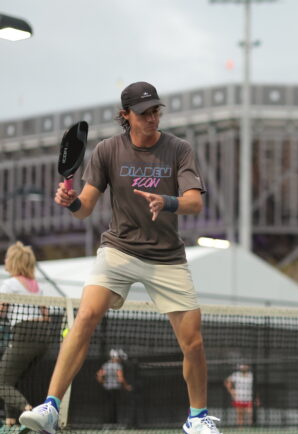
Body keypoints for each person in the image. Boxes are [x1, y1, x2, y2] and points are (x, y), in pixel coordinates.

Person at [19, 82, 220, 434]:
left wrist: (166, 200)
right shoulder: (108, 150)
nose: (152, 118)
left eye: (156, 111)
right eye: (144, 113)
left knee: (194, 342)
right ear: (126, 115)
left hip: (167, 256)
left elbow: (195, 201)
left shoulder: (179, 149)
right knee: (86, 317)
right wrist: (71, 203)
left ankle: (197, 417)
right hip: (119, 249)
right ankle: (50, 407)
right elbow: (85, 208)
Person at [0, 242, 51, 431]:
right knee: (11, 379)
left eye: (7, 257)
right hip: (43, 338)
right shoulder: (37, 286)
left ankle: (28, 411)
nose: (5, 260)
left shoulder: (10, 284)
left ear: (13, 261)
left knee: (1, 382)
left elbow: (1, 310)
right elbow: (46, 316)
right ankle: (10, 423)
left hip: (24, 335)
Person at [95, 349, 131, 425]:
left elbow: (99, 375)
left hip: (106, 388)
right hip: (115, 388)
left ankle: (107, 421)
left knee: (108, 404)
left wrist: (103, 382)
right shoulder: (118, 366)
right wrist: (126, 386)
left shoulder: (105, 365)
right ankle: (114, 422)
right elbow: (120, 378)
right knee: (114, 405)